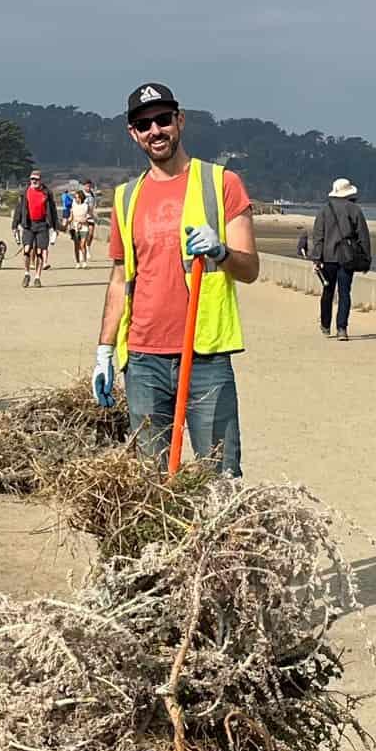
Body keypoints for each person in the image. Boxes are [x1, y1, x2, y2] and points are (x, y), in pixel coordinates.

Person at [92, 82, 259, 476]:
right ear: (133, 133)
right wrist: (103, 352)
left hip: (205, 357)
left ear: (179, 121)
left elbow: (250, 269)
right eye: (144, 124)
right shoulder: (125, 197)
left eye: (163, 119)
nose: (155, 131)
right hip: (143, 359)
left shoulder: (222, 183)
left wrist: (221, 251)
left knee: (219, 477)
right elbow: (120, 280)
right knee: (151, 482)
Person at [307, 177, 372, 340]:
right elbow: (363, 236)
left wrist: (316, 258)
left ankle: (325, 325)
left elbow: (318, 237)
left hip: (327, 257)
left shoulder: (324, 210)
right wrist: (366, 259)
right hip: (348, 258)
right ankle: (342, 328)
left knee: (327, 291)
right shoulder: (355, 210)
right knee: (344, 293)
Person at [16, 168, 60, 287]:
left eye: (36, 179)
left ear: (40, 180)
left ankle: (37, 277)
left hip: (42, 225)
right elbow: (19, 209)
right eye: (32, 179)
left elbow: (53, 210)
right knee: (26, 250)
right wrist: (15, 225)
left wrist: (56, 227)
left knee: (40, 252)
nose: (34, 181)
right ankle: (26, 274)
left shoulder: (47, 193)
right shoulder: (25, 192)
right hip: (28, 224)